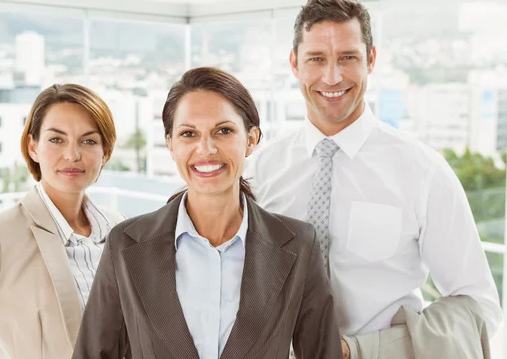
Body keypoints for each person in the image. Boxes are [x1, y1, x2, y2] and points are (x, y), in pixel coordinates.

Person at [245, 0, 502, 357]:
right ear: (294, 64)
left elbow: (479, 308)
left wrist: (362, 351)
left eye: (347, 57)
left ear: (371, 60)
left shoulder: (422, 171)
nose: (331, 77)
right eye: (316, 59)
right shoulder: (259, 170)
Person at [72, 67, 343, 359]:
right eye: (189, 134)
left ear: (251, 139)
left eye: (223, 131)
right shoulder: (125, 245)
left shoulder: (299, 245)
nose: (206, 148)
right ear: (171, 145)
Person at [0, 84, 125, 359]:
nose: (72, 154)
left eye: (88, 141)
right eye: (56, 139)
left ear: (105, 152)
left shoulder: (119, 229)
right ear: (33, 147)